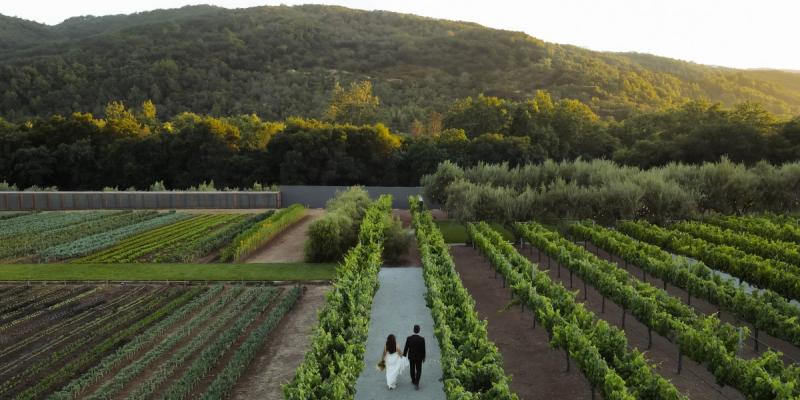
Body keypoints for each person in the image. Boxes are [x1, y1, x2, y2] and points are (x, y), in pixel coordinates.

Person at [403, 324, 426, 390]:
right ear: (419, 330)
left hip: (411, 357)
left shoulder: (409, 338)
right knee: (419, 370)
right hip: (419, 358)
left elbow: (406, 348)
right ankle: (417, 382)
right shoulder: (422, 339)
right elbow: (423, 349)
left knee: (412, 369)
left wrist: (404, 356)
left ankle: (413, 380)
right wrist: (424, 357)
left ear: (413, 330)